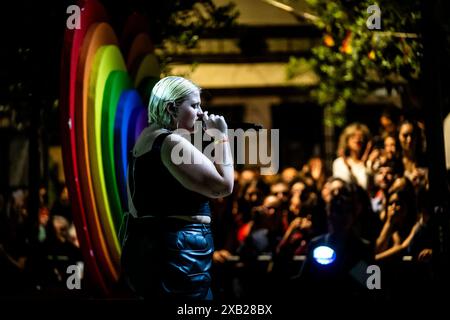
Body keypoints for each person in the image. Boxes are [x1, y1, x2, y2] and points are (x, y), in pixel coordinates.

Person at [120, 76, 234, 301]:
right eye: (194, 105)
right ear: (172, 108)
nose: (201, 112)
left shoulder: (147, 137)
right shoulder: (171, 142)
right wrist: (221, 137)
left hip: (156, 246)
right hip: (179, 252)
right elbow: (224, 186)